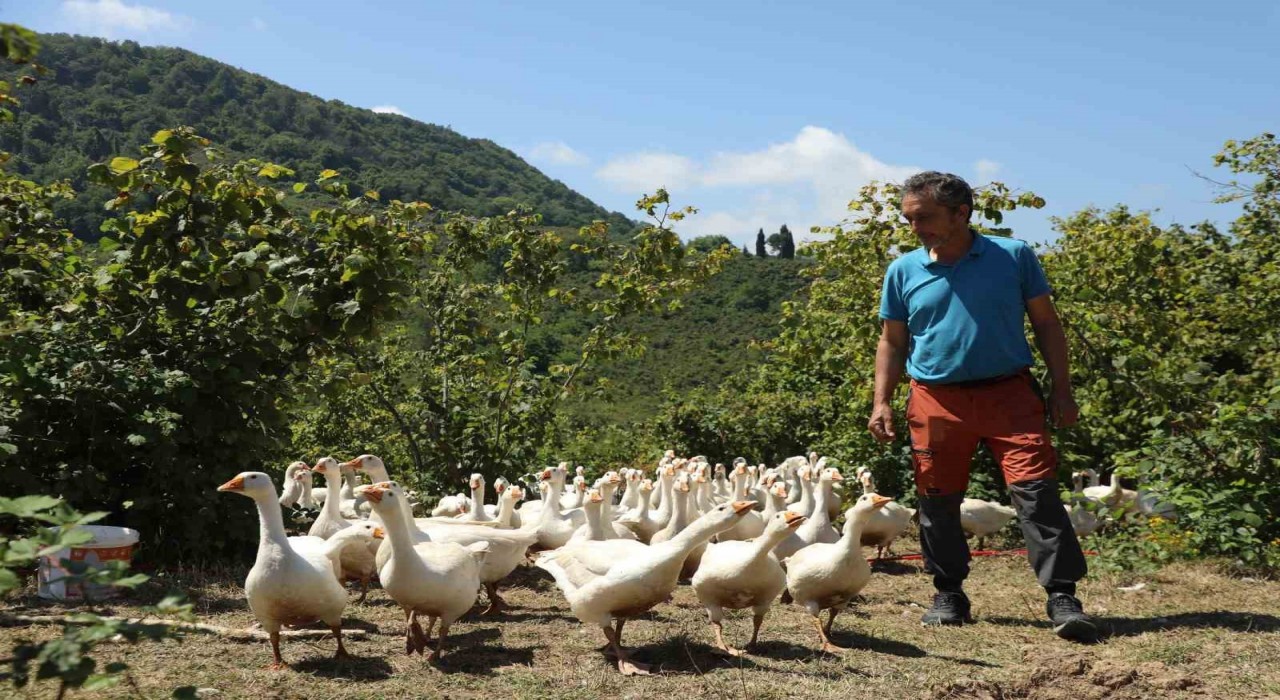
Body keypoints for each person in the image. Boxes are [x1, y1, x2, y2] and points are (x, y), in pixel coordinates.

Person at [868, 171, 1096, 642]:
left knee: (1037, 494)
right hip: (934, 399)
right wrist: (881, 402)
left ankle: (1062, 596)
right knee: (937, 501)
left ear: (962, 213)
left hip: (1010, 396)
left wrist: (1062, 388)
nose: (915, 228)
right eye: (909, 219)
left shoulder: (1013, 257)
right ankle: (948, 592)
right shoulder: (903, 270)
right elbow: (891, 341)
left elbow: (1048, 325)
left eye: (925, 218)